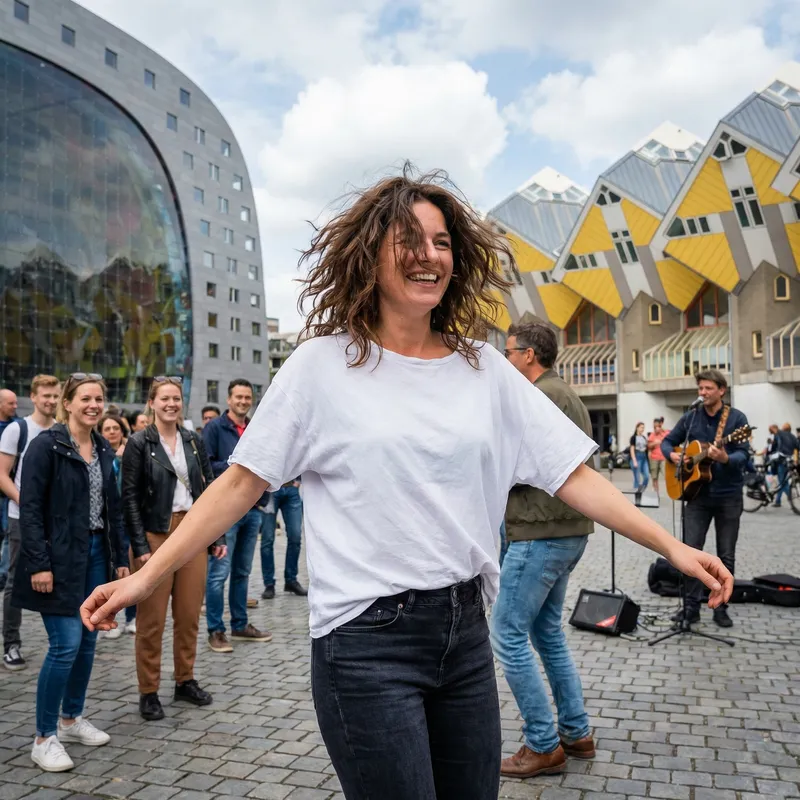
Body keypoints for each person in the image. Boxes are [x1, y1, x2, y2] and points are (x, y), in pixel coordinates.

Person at [81, 168, 732, 800]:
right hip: (365, 643)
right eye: (410, 241)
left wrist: (673, 549)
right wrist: (144, 577)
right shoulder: (320, 367)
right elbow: (239, 486)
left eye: (443, 242)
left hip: (464, 635)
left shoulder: (484, 369)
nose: (430, 255)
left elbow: (574, 474)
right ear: (371, 257)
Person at [492, 322, 595, 778]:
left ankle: (542, 744)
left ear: (529, 354)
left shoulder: (541, 396)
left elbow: (519, 466)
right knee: (546, 633)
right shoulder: (563, 392)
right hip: (564, 530)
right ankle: (576, 732)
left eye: (509, 351)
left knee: (507, 635)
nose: (505, 359)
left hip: (540, 532)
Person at [14, 374, 129, 772]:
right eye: (85, 398)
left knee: (87, 643)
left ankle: (70, 719)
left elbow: (111, 508)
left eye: (99, 398)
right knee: (64, 645)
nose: (94, 405)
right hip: (58, 557)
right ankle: (43, 737)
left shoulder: (102, 446)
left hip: (96, 553)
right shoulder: (46, 445)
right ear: (67, 402)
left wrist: (120, 558)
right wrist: (40, 563)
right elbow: (29, 509)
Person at [123, 377, 225, 721]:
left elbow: (210, 490)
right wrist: (140, 545)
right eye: (165, 398)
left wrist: (216, 537)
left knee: (188, 615)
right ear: (152, 402)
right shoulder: (139, 442)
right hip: (155, 534)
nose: (171, 404)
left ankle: (185, 679)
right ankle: (148, 691)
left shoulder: (192, 440)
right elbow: (130, 498)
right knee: (151, 620)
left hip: (193, 532)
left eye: (176, 398)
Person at [661, 369, 748, 628]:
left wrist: (726, 458)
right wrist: (673, 456)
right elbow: (667, 442)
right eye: (700, 389)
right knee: (689, 552)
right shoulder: (691, 417)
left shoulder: (736, 419)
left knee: (726, 554)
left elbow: (744, 455)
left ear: (721, 390)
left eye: (708, 388)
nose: (703, 393)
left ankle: (721, 608)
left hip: (728, 496)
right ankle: (690, 609)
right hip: (696, 497)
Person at [202, 380, 271, 652]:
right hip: (225, 511)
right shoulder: (214, 428)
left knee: (242, 571)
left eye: (247, 397)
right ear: (228, 399)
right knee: (219, 573)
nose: (243, 401)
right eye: (238, 397)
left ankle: (240, 624)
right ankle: (216, 630)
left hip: (252, 510)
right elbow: (206, 466)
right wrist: (239, 468)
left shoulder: (255, 428)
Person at [0, 375, 61, 671]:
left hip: (57, 521)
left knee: (58, 577)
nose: (51, 401)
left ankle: (60, 641)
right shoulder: (18, 429)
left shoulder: (63, 431)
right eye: (45, 395)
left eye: (55, 396)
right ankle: (11, 644)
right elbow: (2, 474)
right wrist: (29, 504)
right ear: (33, 397)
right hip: (21, 518)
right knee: (15, 580)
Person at [98, 414, 136, 638]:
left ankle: (131, 618)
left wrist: (122, 460)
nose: (112, 432)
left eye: (116, 428)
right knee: (108, 574)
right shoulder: (98, 455)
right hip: (107, 523)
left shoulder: (131, 454)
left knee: (129, 573)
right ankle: (107, 617)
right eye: (107, 428)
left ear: (122, 431)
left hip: (127, 521)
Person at [259, 477, 306, 599]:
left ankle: (291, 580)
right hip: (269, 491)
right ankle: (269, 584)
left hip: (291, 489)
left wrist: (298, 481)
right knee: (267, 540)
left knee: (295, 537)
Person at [0, 388, 19, 593]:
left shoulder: (16, 426)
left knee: (8, 536)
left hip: (8, 494)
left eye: (16, 403)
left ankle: (3, 574)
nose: (15, 406)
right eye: (10, 403)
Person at [647, 417, 670, 498]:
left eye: (657, 426)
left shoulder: (666, 433)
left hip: (664, 458)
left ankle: (671, 491)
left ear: (660, 425)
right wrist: (654, 443)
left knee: (667, 475)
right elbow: (649, 446)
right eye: (654, 427)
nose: (656, 428)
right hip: (654, 458)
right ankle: (656, 493)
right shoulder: (652, 435)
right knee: (654, 476)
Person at [629, 422, 649, 493]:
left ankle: (641, 490)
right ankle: (636, 493)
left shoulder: (644, 437)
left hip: (644, 457)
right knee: (637, 478)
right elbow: (632, 449)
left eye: (643, 427)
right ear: (637, 428)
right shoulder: (633, 437)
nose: (642, 429)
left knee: (646, 476)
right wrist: (634, 460)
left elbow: (646, 448)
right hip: (637, 456)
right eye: (641, 427)